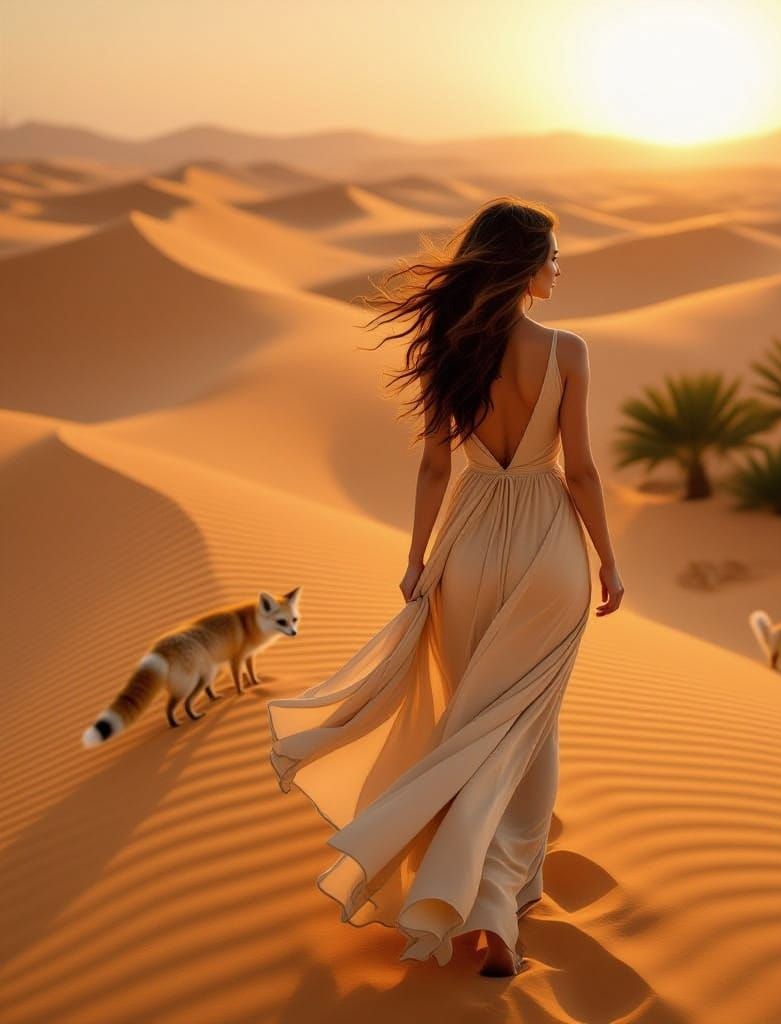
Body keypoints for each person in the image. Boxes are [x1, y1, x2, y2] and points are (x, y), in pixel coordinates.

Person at [266, 197, 624, 978]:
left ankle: (462, 891)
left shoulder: (450, 347)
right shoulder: (567, 350)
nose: (559, 268)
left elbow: (435, 464)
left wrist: (417, 557)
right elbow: (584, 470)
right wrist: (608, 560)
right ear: (524, 264)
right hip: (546, 547)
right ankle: (495, 908)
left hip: (466, 545)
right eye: (553, 255)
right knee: (527, 729)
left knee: (470, 724)